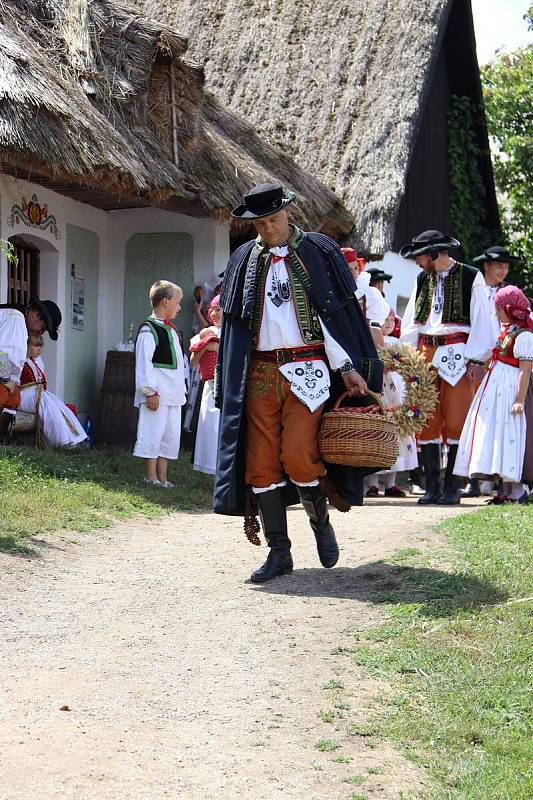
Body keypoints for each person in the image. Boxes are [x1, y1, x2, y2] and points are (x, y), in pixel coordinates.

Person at [214, 183, 383, 583]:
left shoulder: (318, 251)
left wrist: (346, 367)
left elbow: (333, 318)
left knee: (299, 456)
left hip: (309, 370)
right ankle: (279, 552)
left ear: (288, 213)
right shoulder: (243, 259)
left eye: (273, 220)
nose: (268, 229)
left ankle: (321, 525)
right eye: (259, 223)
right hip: (260, 374)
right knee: (260, 464)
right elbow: (235, 329)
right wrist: (229, 380)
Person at [400, 230, 494, 505]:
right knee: (427, 419)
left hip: (459, 352)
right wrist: (408, 355)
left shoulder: (470, 276)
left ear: (433, 254)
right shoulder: (421, 278)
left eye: (419, 257)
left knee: (456, 420)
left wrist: (477, 358)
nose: (417, 262)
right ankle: (432, 487)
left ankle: (453, 487)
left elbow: (482, 319)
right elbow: (411, 321)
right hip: (425, 351)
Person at [454, 286, 533, 503]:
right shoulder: (508, 331)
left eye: (499, 309)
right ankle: (505, 490)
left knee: (511, 434)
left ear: (511, 308)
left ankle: (517, 490)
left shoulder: (524, 335)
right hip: (496, 388)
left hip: (509, 389)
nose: (497, 313)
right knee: (497, 434)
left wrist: (519, 399)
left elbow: (525, 370)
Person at [133, 280, 186, 487]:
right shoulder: (149, 330)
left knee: (169, 435)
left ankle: (163, 477)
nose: (179, 307)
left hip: (173, 393)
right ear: (165, 301)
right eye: (177, 302)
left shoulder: (171, 330)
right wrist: (150, 391)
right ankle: (150, 476)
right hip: (158, 393)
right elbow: (144, 363)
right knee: (152, 432)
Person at [365, 308, 418, 498]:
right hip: (376, 387)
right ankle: (371, 483)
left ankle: (391, 483)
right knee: (375, 431)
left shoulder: (397, 342)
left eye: (391, 320)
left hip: (393, 389)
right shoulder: (368, 333)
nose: (387, 323)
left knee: (395, 433)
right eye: (384, 319)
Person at [0, 296, 61, 441]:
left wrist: (12, 384)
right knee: (2, 392)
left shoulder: (19, 320)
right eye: (43, 327)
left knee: (14, 397)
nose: (42, 332)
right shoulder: (15, 318)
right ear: (35, 315)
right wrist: (5, 379)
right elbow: (3, 352)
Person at [18, 334, 87, 447]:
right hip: (23, 394)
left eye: (40, 346)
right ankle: (61, 441)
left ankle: (75, 438)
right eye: (35, 345)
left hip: (36, 394)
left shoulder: (37, 362)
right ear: (27, 346)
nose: (39, 349)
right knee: (47, 404)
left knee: (57, 403)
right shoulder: (20, 361)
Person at [190, 295, 223, 475]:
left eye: (218, 309)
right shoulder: (205, 333)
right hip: (212, 386)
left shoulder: (234, 332)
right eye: (211, 309)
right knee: (210, 426)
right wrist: (206, 346)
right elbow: (193, 362)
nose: (213, 313)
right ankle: (210, 468)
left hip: (232, 386)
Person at [340, 247, 389, 347]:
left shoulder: (370, 293)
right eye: (349, 269)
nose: (354, 272)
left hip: (364, 343)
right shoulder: (333, 292)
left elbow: (375, 327)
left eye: (356, 268)